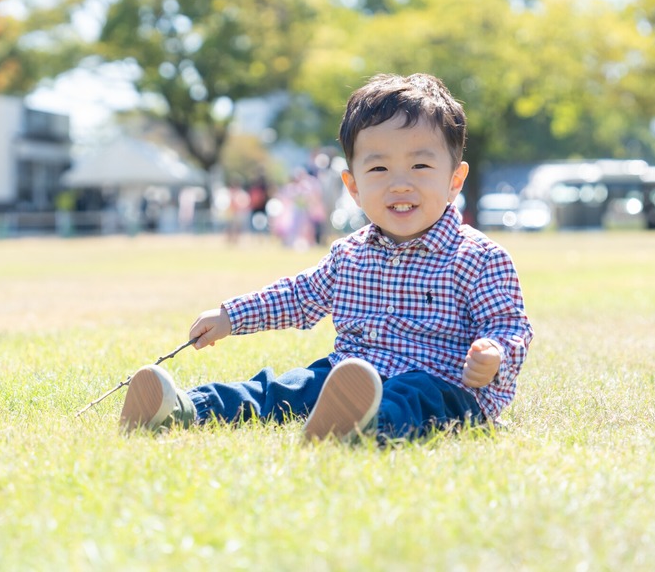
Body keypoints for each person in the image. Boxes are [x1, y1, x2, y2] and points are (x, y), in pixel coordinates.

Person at [119, 73, 533, 443]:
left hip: (443, 385)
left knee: (413, 397)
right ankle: (181, 408)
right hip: (348, 374)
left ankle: (364, 424)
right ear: (353, 187)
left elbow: (510, 326)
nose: (400, 184)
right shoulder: (349, 255)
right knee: (285, 388)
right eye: (379, 170)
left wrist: (493, 355)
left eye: (420, 165)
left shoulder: (479, 257)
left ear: (454, 180)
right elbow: (297, 297)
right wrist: (231, 316)